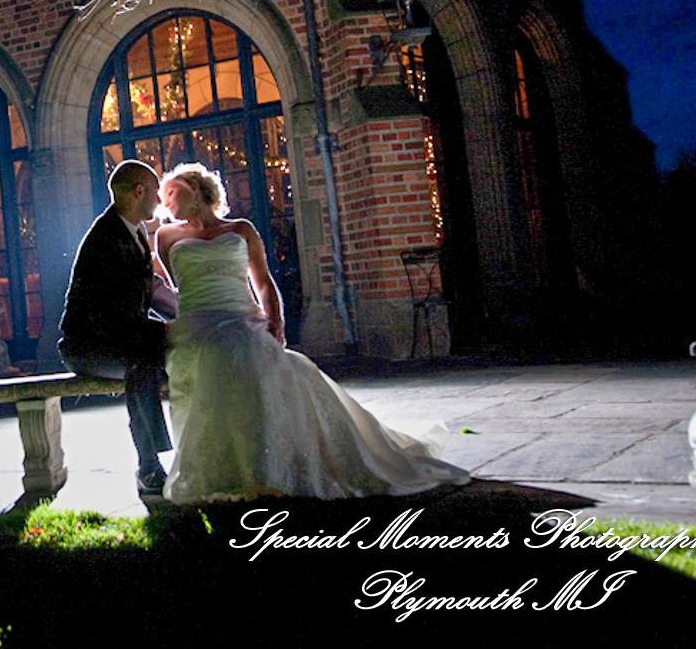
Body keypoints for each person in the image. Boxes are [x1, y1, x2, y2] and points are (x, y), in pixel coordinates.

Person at [153, 163, 471, 503]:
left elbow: (263, 282)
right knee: (218, 354)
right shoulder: (165, 237)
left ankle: (270, 463)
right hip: (198, 323)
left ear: (196, 188)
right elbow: (180, 287)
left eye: (172, 190)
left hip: (242, 319)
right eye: (162, 195)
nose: (165, 200)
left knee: (251, 354)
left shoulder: (241, 229)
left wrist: (275, 320)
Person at [59, 160, 177, 496]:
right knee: (143, 361)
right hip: (88, 346)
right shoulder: (105, 238)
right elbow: (112, 315)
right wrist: (165, 331)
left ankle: (172, 455)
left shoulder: (134, 230)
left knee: (157, 353)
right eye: (155, 192)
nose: (159, 200)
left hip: (125, 339)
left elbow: (150, 289)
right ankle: (149, 464)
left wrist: (188, 314)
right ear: (139, 191)